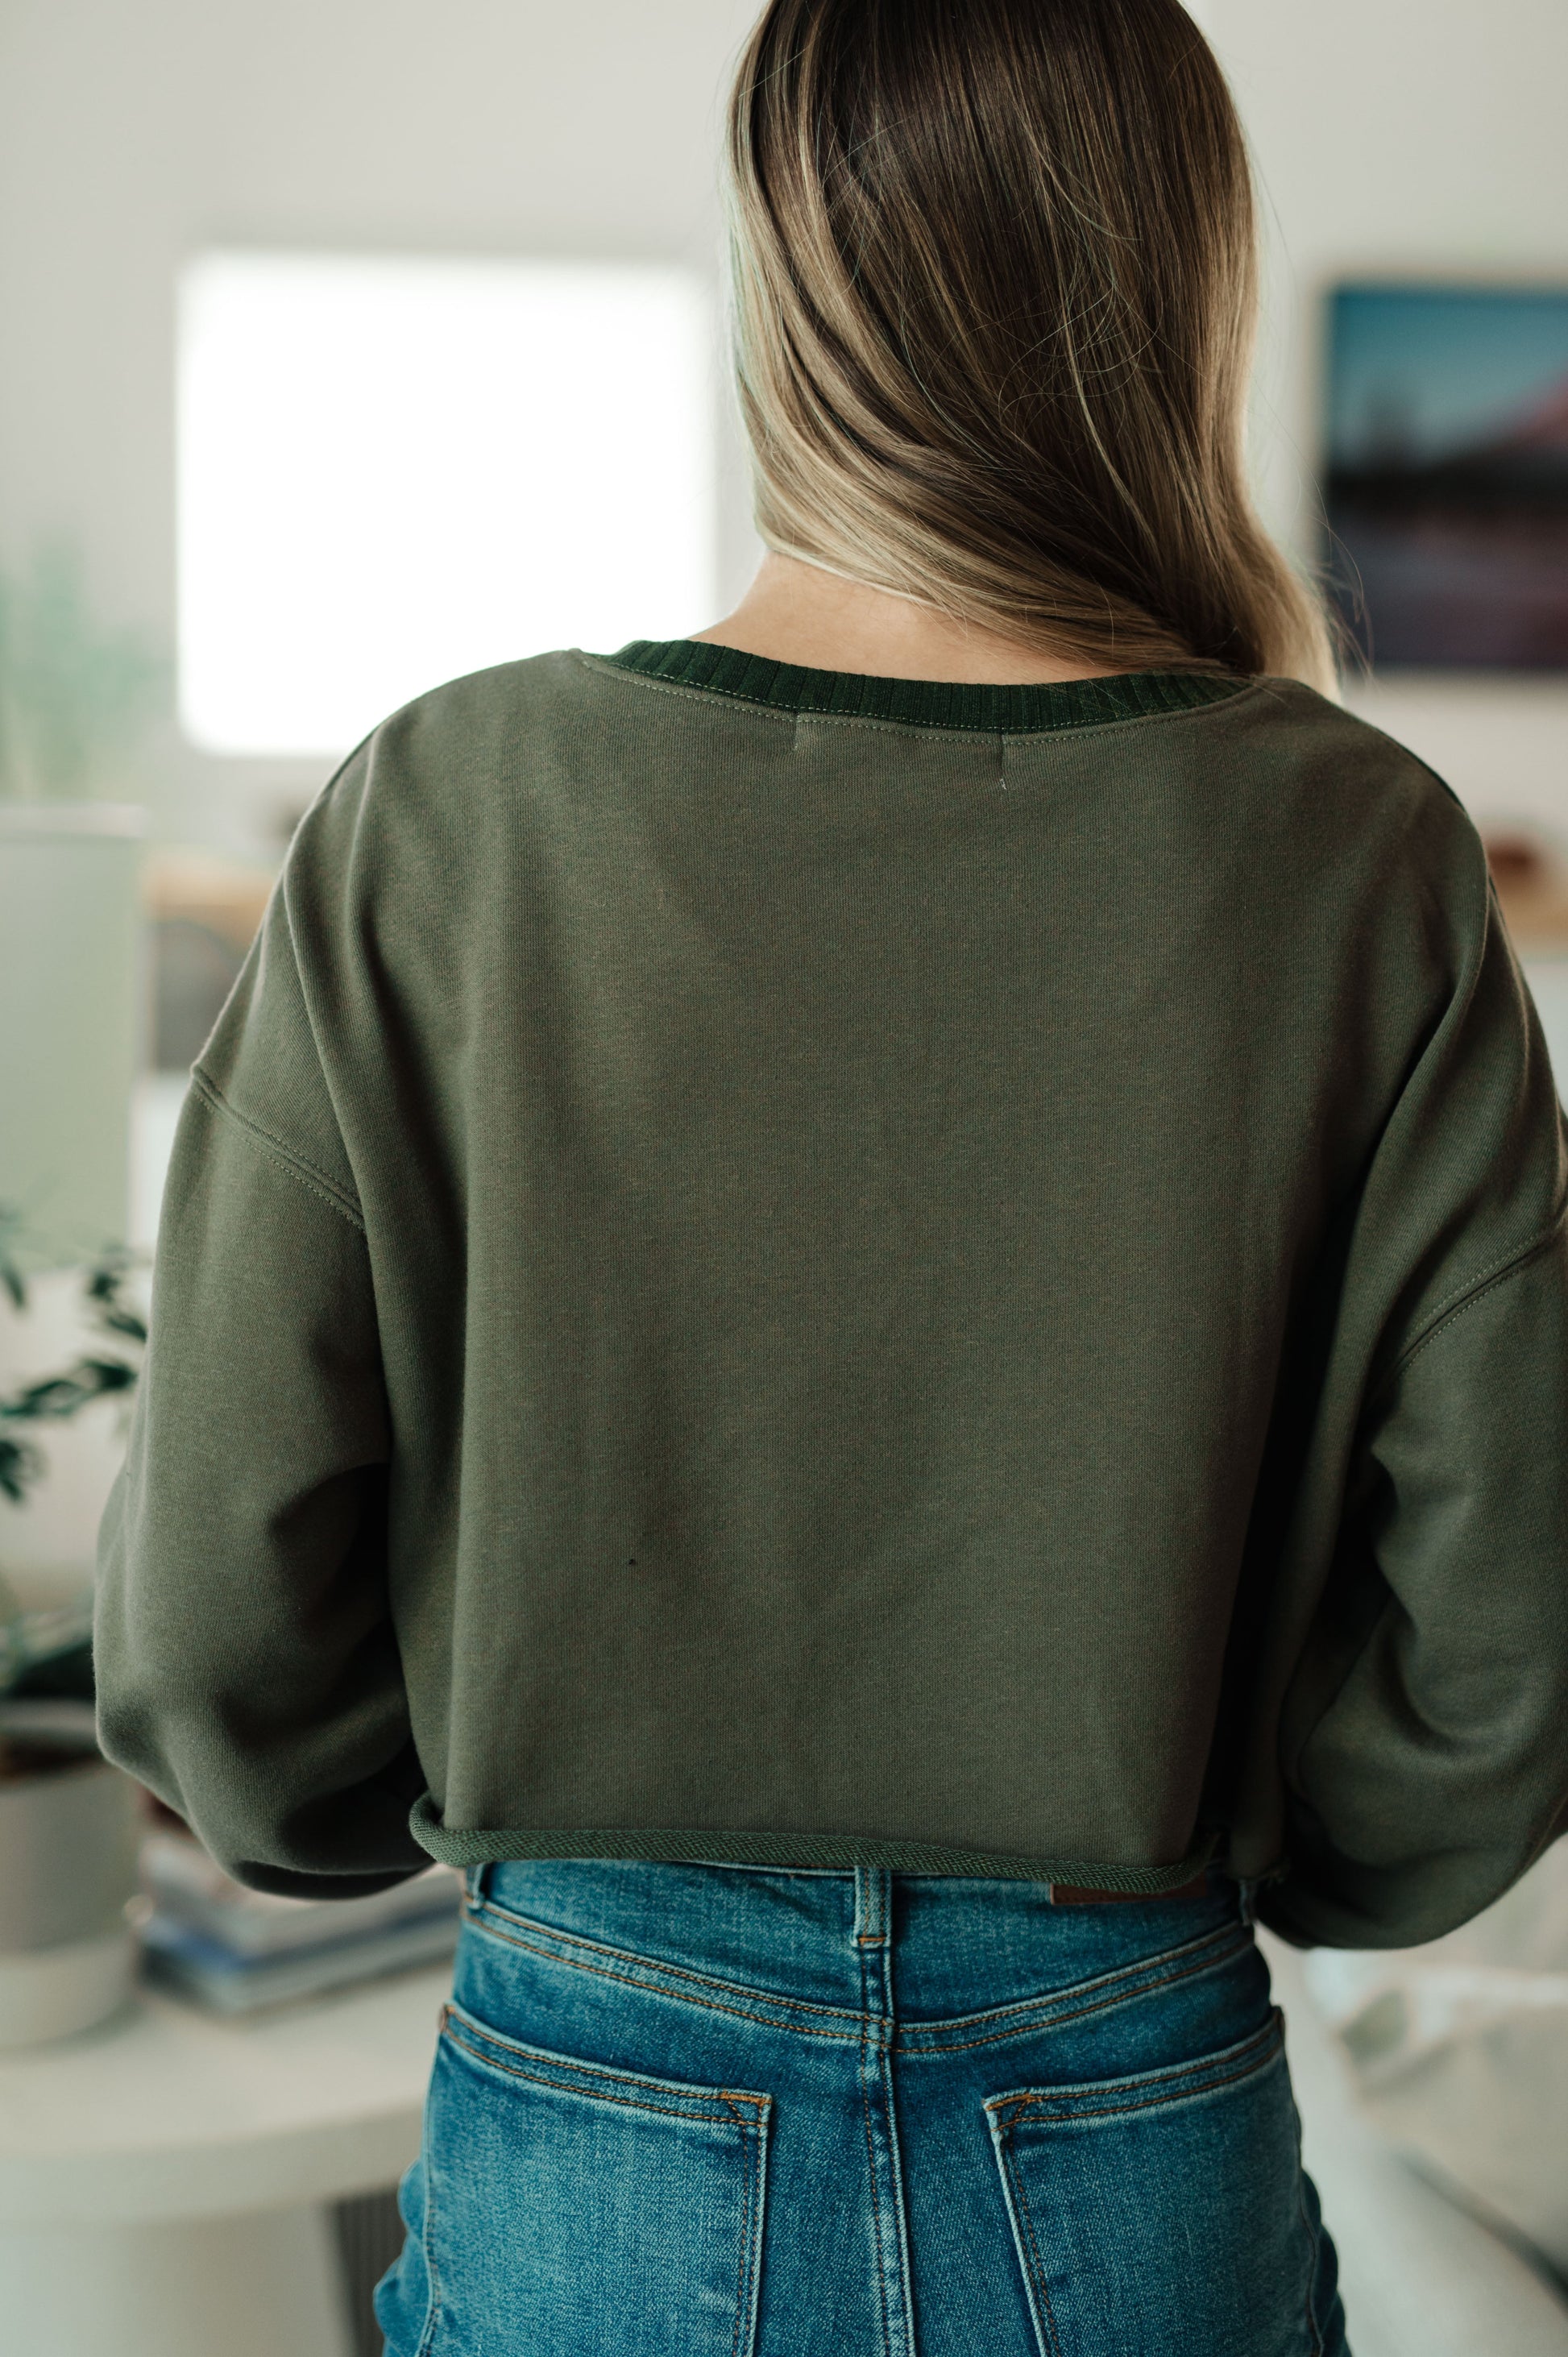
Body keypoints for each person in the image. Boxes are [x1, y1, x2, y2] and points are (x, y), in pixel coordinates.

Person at [95, 0, 1568, 2349]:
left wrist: (421, 1823)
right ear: (1182, 287)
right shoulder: (1355, 852)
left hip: (592, 2073)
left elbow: (210, 1626)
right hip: (1135, 2087)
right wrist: (1261, 1844)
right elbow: (1505, 1633)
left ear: (787, 281)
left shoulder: (444, 816)